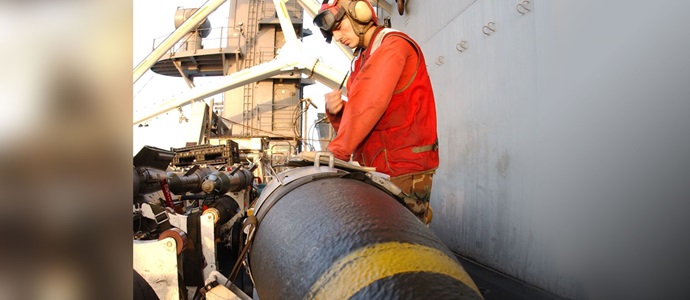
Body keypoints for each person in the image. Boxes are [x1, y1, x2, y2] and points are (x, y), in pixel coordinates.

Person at [313, 0, 439, 224]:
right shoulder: (363, 57)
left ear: (359, 13)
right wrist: (339, 112)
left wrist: (333, 155)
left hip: (402, 170)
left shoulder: (393, 46)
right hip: (381, 167)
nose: (338, 37)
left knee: (397, 241)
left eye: (339, 27)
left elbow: (369, 105)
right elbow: (363, 116)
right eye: (332, 33)